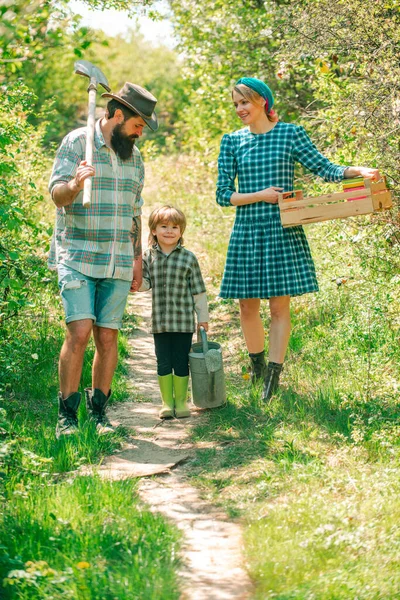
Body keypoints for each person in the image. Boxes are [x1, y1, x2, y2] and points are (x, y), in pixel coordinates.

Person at [216, 76, 380, 401]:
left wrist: (357, 170)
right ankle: (257, 370)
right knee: (246, 307)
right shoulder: (232, 141)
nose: (239, 109)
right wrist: (260, 195)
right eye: (236, 104)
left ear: (262, 100)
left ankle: (271, 384)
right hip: (247, 230)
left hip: (282, 228)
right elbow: (223, 195)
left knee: (279, 308)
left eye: (244, 102)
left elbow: (324, 168)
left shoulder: (290, 134)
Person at [48, 82, 158, 438]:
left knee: (108, 337)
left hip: (118, 259)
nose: (141, 133)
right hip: (77, 254)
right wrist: (75, 186)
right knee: (78, 332)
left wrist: (137, 258)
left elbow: (135, 211)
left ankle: (99, 414)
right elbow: (56, 195)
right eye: (139, 125)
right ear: (119, 114)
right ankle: (67, 417)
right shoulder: (77, 142)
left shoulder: (135, 157)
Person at [139, 206, 209, 419]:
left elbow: (199, 292)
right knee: (163, 362)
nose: (169, 231)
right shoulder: (148, 256)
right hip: (160, 322)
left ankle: (181, 401)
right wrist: (133, 280)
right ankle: (166, 403)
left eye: (174, 227)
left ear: (181, 231)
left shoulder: (188, 258)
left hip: (183, 322)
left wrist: (203, 318)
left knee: (181, 361)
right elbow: (144, 284)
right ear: (153, 230)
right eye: (163, 226)